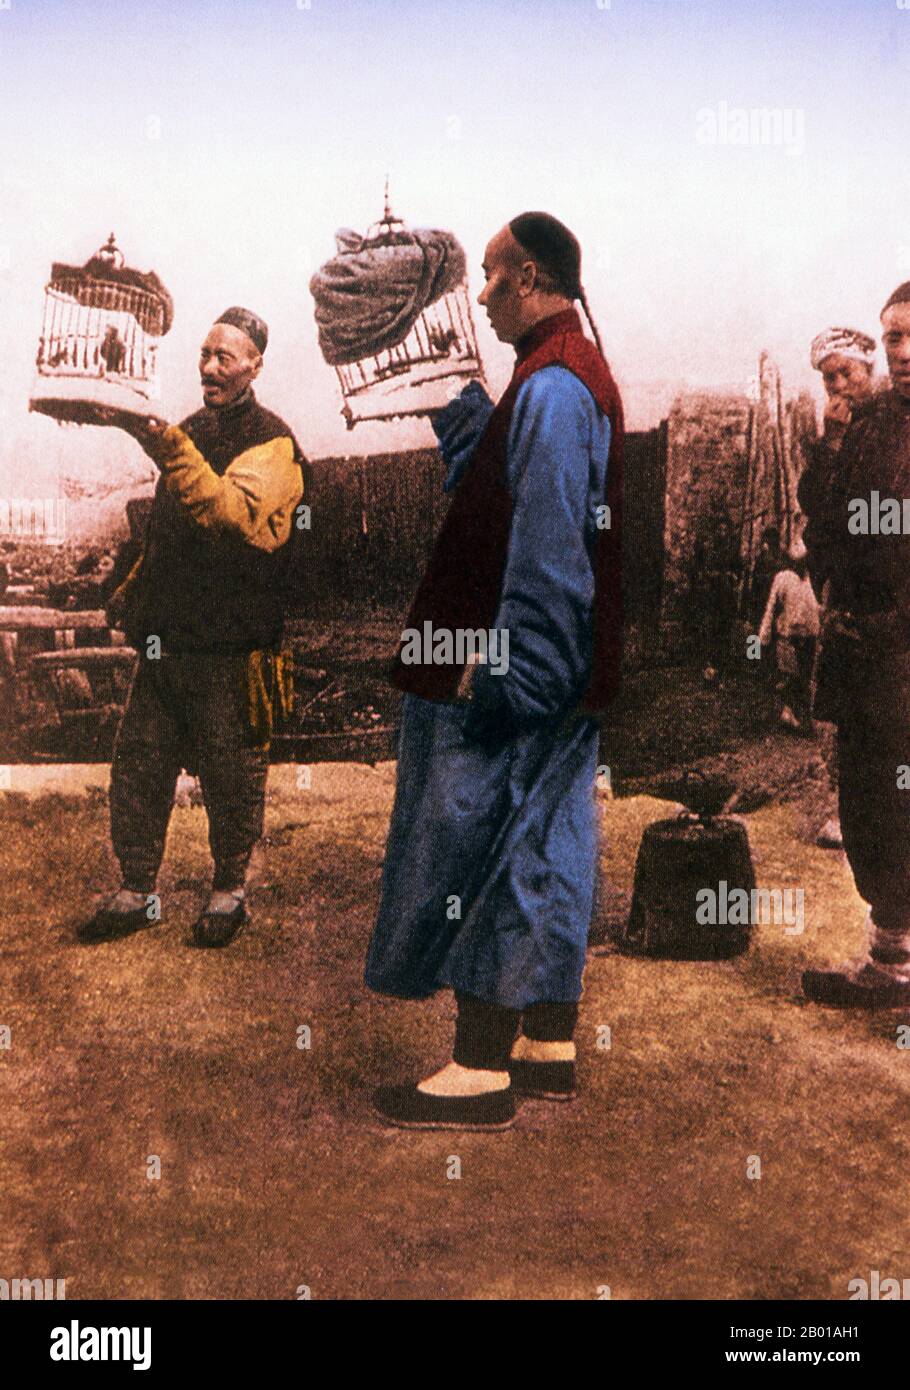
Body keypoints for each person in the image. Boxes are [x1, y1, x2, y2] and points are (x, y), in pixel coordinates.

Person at [365, 212, 623, 1129]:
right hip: (566, 666)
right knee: (554, 838)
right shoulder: (558, 375)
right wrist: (461, 408)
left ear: (529, 277)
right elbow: (508, 492)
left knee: (490, 844)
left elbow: (547, 553)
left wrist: (518, 680)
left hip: (520, 665)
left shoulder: (553, 389)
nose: (478, 294)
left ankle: (479, 1071)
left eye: (489, 275)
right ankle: (548, 1042)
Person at [78, 307, 306, 948]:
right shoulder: (186, 429)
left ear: (254, 366)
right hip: (167, 639)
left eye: (223, 358)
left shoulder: (274, 443)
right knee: (139, 765)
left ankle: (229, 892)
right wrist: (131, 593)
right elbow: (167, 534)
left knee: (231, 773)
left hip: (233, 646)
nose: (208, 367)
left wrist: (162, 441)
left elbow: (228, 513)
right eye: (204, 354)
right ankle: (135, 888)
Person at [801, 287, 910, 1006]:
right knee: (870, 800)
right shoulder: (872, 425)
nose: (902, 353)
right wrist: (833, 443)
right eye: (894, 337)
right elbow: (825, 524)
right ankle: (892, 956)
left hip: (900, 647)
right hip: (862, 644)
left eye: (909, 338)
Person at [799, 328, 877, 848]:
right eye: (830, 380)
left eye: (846, 374)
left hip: (888, 588)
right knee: (850, 713)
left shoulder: (892, 422)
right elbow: (816, 510)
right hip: (848, 593)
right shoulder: (837, 434)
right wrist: (831, 444)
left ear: (869, 371)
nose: (838, 387)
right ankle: (853, 818)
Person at [758, 537, 819, 731]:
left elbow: (815, 608)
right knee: (788, 675)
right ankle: (788, 713)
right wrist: (764, 634)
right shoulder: (783, 578)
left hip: (809, 635)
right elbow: (771, 607)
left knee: (805, 676)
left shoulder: (810, 581)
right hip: (788, 635)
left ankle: (802, 716)